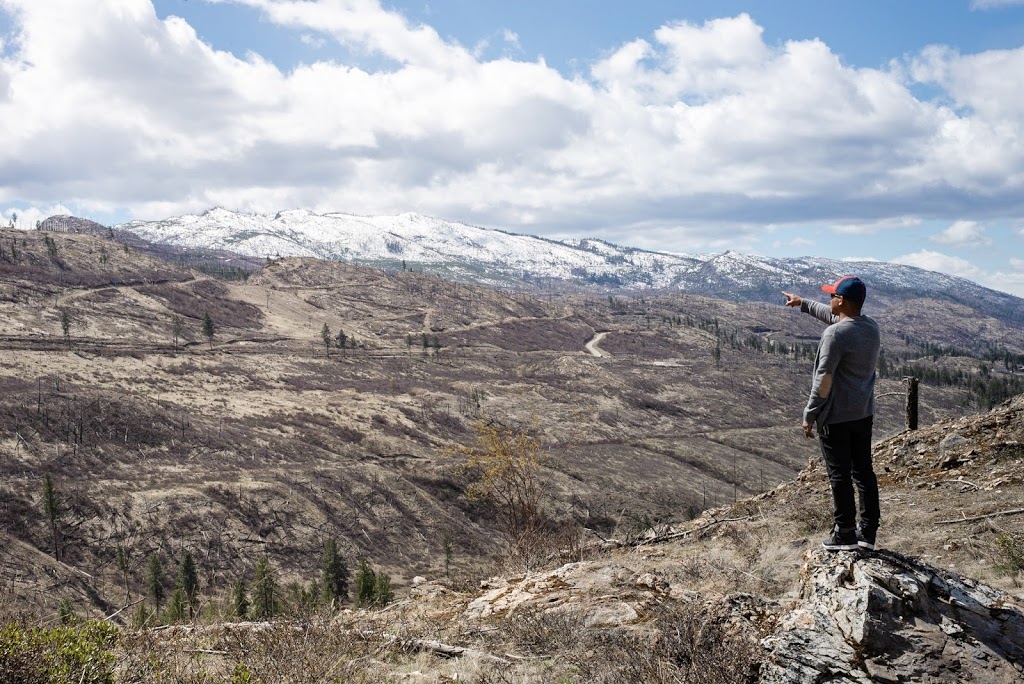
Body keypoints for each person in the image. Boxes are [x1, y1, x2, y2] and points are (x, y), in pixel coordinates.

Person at [782, 276, 881, 551]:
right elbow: (838, 319)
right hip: (863, 413)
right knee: (863, 472)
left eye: (832, 296)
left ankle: (845, 533)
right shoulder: (870, 328)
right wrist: (804, 303)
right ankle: (868, 532)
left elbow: (824, 379)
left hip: (836, 417)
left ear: (842, 300)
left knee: (839, 475)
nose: (829, 300)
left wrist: (810, 413)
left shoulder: (834, 334)